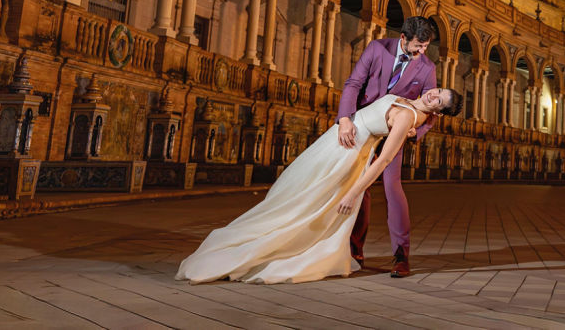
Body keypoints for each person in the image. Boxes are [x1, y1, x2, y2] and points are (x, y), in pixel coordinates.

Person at [176, 87, 460, 285]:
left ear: (440, 112)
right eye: (438, 90)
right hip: (337, 142)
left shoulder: (409, 117)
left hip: (347, 153)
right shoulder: (410, 106)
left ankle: (263, 248)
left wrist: (353, 192)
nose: (433, 94)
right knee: (295, 193)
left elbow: (384, 160)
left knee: (306, 201)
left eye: (439, 100)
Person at [337, 16, 438, 277]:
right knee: (360, 187)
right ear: (403, 38)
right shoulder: (377, 49)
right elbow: (353, 83)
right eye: (418, 46)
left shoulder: (427, 67)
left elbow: (433, 109)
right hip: (363, 127)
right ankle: (354, 249)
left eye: (426, 47)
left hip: (395, 132)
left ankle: (401, 256)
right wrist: (345, 119)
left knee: (393, 188)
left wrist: (417, 129)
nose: (422, 52)